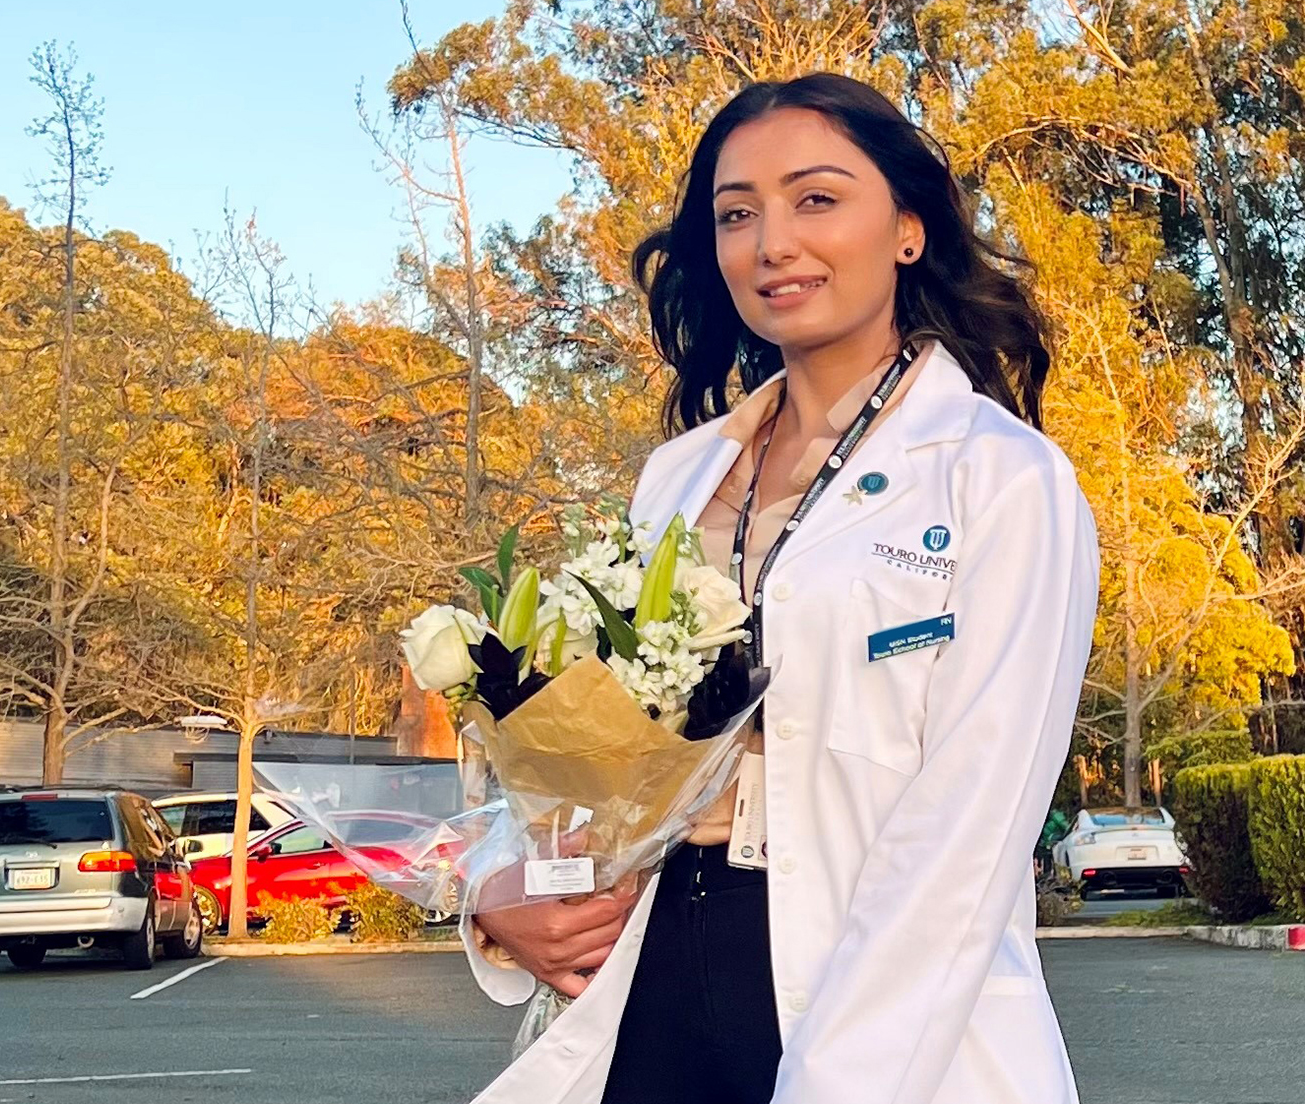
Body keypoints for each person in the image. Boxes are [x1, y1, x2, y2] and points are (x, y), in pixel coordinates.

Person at [460, 72, 1100, 1104]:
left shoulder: (1000, 478)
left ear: (905, 228)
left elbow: (966, 834)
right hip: (657, 984)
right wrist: (500, 891)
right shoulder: (677, 479)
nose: (771, 243)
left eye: (815, 199)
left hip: (879, 1017)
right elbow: (588, 755)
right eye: (736, 214)